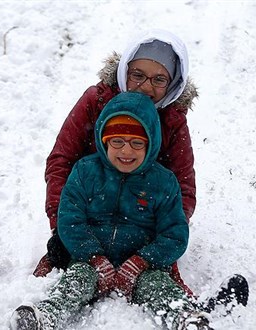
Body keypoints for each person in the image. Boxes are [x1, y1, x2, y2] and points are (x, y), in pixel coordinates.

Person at [11, 92, 209, 330]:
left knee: (158, 286)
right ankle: (45, 315)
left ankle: (185, 319)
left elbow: (175, 234)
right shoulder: (85, 172)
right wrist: (93, 257)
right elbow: (70, 220)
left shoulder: (163, 182)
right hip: (90, 262)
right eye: (117, 141)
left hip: (142, 267)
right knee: (76, 280)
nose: (126, 151)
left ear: (151, 143)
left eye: (137, 143)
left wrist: (142, 261)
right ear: (104, 140)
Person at [36, 29, 198, 295]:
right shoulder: (97, 101)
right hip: (92, 210)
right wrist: (61, 224)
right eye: (138, 75)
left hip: (142, 218)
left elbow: (183, 186)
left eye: (159, 79)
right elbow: (61, 160)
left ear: (172, 84)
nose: (146, 87)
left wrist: (164, 238)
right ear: (124, 71)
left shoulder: (172, 118)